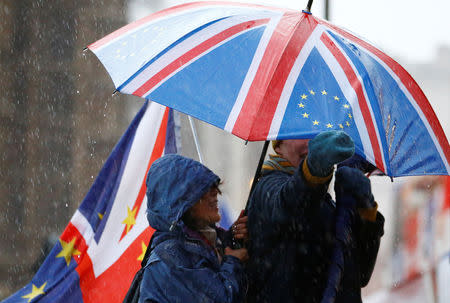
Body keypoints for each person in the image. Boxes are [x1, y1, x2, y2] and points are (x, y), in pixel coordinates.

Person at [245, 130, 385, 303]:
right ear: (278, 146)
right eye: (300, 133)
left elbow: (360, 273)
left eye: (317, 135)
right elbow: (289, 206)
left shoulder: (324, 202)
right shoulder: (268, 187)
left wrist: (362, 209)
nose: (310, 143)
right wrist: (314, 170)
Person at [139, 154, 248, 303]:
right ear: (180, 202)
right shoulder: (171, 258)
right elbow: (221, 299)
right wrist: (233, 262)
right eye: (203, 189)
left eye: (213, 186)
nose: (215, 192)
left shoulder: (207, 240)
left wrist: (233, 238)